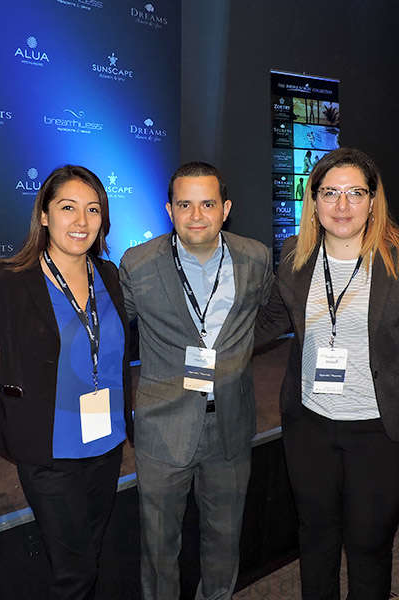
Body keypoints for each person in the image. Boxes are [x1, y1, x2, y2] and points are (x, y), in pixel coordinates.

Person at [255, 147, 399, 599]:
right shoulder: (295, 252)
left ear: (374, 200)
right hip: (309, 424)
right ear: (312, 199)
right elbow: (273, 319)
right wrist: (208, 343)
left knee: (369, 544)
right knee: (315, 538)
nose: (342, 206)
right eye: (330, 193)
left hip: (380, 431)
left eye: (355, 193)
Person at [0, 165, 130, 599]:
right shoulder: (12, 281)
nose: (81, 222)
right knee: (72, 571)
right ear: (43, 215)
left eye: (92, 210)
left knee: (91, 553)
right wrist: (19, 378)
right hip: (49, 451)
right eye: (67, 208)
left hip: (106, 442)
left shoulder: (109, 276)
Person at [119, 161, 273, 600]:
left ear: (226, 208)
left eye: (207, 204)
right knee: (159, 546)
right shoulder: (138, 263)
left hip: (231, 424)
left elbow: (266, 314)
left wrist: (238, 356)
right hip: (162, 428)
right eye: (185, 204)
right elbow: (114, 332)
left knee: (224, 540)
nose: (197, 215)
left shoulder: (255, 257)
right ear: (169, 209)